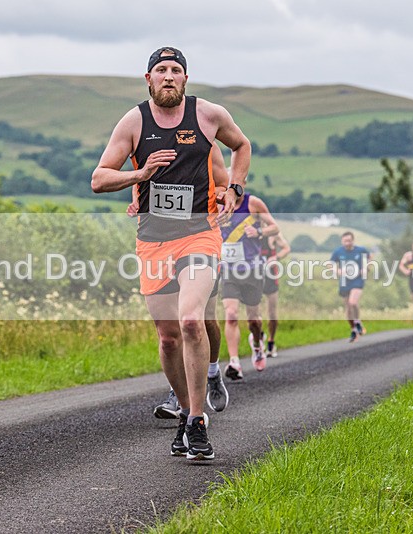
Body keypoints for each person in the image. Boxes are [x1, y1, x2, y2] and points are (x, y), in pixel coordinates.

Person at [92, 47, 251, 461]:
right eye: (160, 70)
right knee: (167, 338)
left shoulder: (209, 115)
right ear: (148, 79)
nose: (168, 76)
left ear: (185, 79)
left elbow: (242, 145)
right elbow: (98, 178)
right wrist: (139, 175)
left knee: (190, 321)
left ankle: (198, 421)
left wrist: (235, 187)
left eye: (175, 70)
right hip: (153, 241)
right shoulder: (133, 121)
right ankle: (184, 409)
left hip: (199, 234)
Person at [134, 144, 229, 417]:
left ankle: (211, 372)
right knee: (170, 336)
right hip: (159, 245)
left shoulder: (205, 142)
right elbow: (142, 182)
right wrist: (136, 199)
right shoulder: (149, 144)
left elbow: (223, 183)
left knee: (202, 320)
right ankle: (181, 396)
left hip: (200, 240)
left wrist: (225, 194)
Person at [220, 192, 279, 379]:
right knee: (230, 314)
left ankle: (256, 343)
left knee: (254, 320)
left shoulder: (252, 203)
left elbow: (275, 227)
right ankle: (234, 362)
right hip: (228, 270)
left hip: (252, 270)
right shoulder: (217, 204)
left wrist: (259, 232)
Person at [329, 232, 371, 342]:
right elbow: (330, 264)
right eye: (345, 241)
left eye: (349, 241)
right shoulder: (338, 252)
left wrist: (366, 268)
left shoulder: (360, 250)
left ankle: (357, 322)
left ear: (353, 240)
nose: (347, 243)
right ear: (342, 241)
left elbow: (370, 257)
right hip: (344, 281)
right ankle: (354, 329)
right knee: (348, 308)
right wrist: (338, 271)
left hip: (357, 279)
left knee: (353, 302)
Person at [261, 232, 290, 357]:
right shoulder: (246, 229)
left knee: (272, 312)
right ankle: (259, 336)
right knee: (253, 312)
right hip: (251, 274)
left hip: (270, 276)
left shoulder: (272, 233)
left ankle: (271, 342)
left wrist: (276, 257)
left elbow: (286, 248)